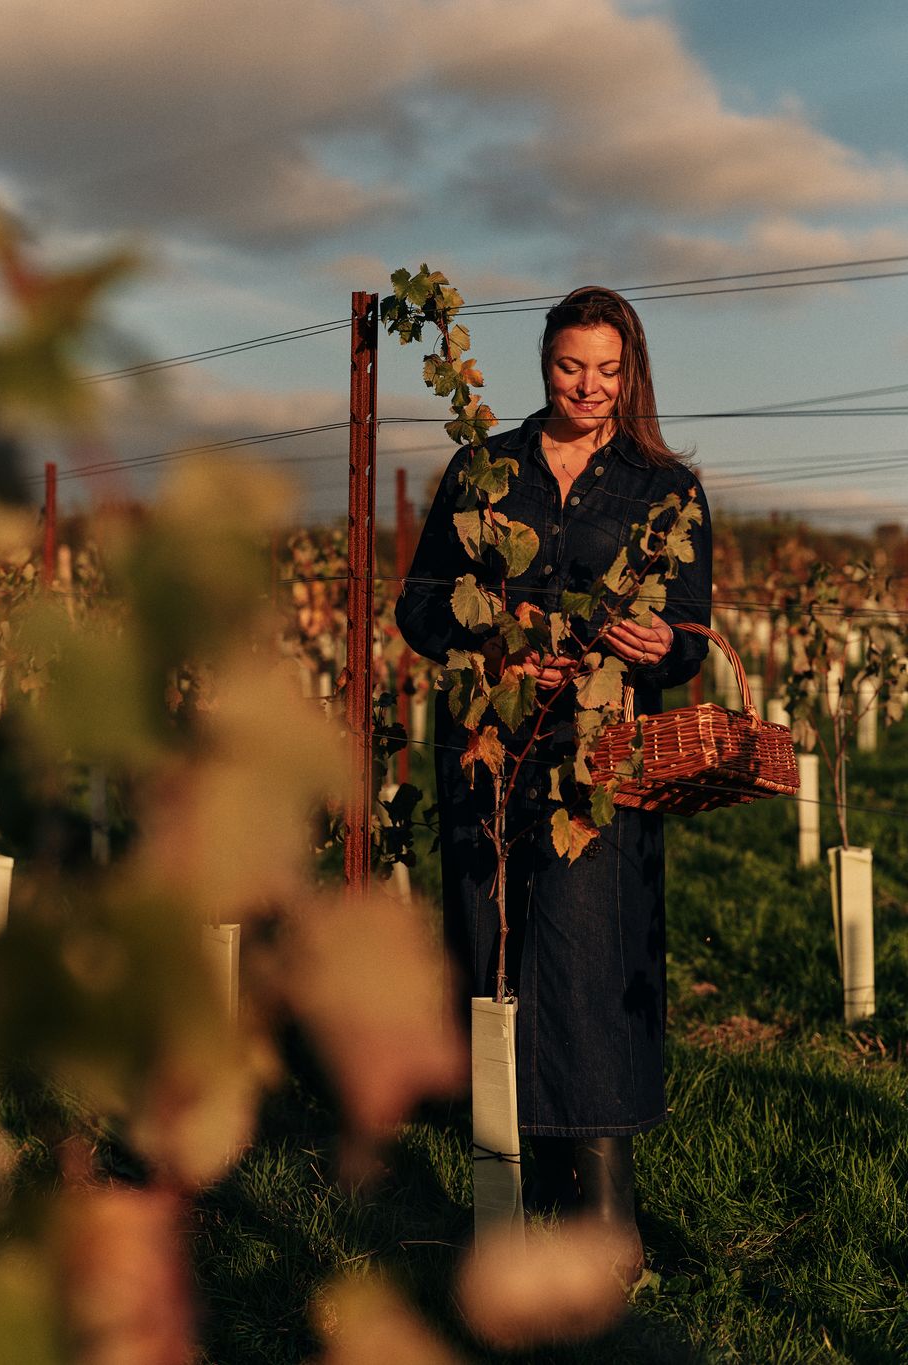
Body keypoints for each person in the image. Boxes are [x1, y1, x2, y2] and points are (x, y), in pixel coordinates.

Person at [395, 286, 713, 1275]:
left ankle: (604, 1205)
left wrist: (657, 644)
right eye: (572, 366)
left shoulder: (664, 487)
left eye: (608, 370)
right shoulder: (482, 469)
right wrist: (496, 650)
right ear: (544, 365)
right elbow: (418, 607)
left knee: (588, 947)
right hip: (490, 743)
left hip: (600, 754)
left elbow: (688, 638)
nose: (589, 387)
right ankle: (504, 1184)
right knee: (490, 944)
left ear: (633, 372)